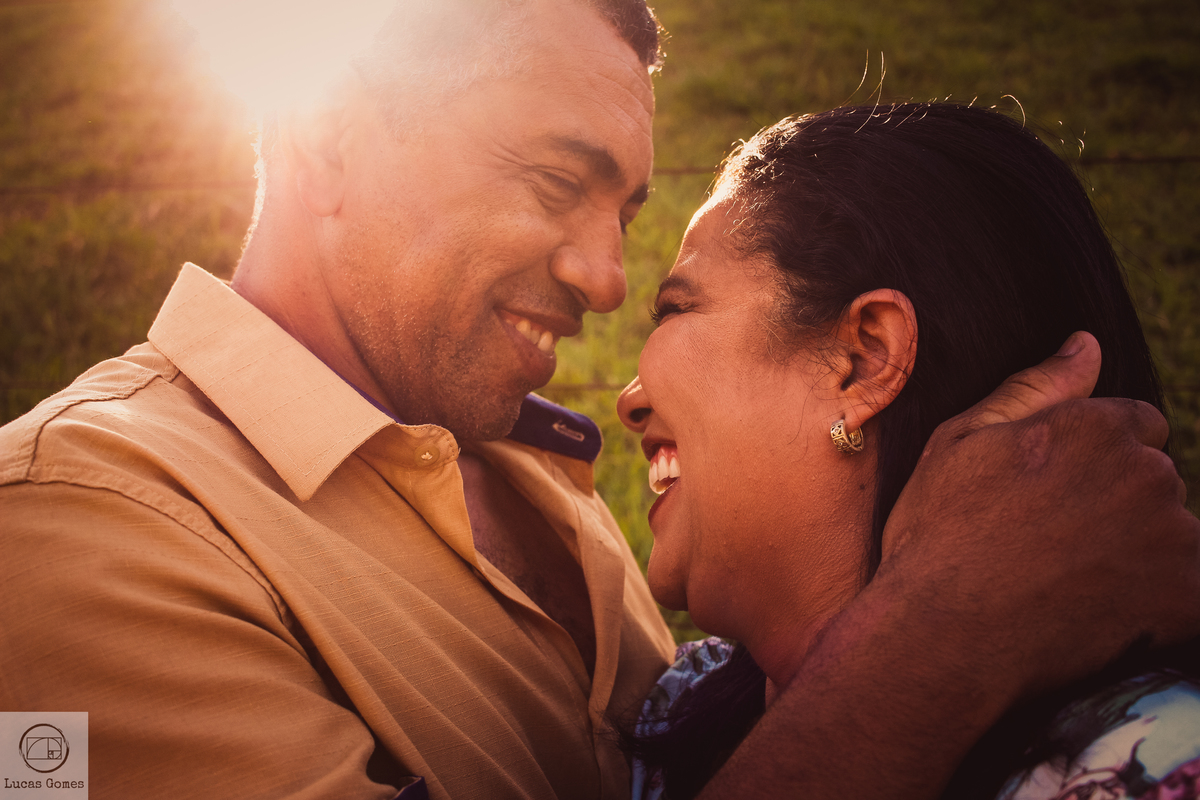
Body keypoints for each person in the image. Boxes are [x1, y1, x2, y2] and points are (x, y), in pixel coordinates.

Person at [0, 0, 1195, 797]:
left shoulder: (543, 477)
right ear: (327, 139)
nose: (606, 277)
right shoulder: (64, 524)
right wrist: (943, 631)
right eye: (552, 179)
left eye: (620, 214)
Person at [616, 102, 1200, 800]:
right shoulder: (670, 711)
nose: (629, 401)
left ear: (864, 357)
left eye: (679, 308)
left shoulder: (1150, 763)